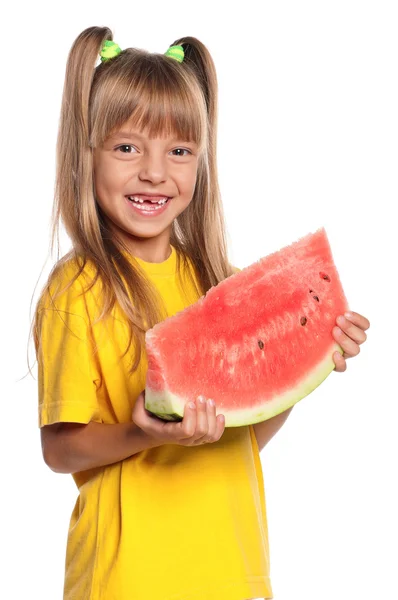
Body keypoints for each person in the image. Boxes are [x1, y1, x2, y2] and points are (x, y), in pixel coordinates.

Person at [32, 26, 370, 600]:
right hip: (130, 579)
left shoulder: (219, 283)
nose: (155, 172)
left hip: (233, 574)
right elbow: (60, 449)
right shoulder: (79, 289)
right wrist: (142, 432)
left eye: (180, 151)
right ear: (85, 153)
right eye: (127, 147)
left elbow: (239, 434)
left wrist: (309, 362)